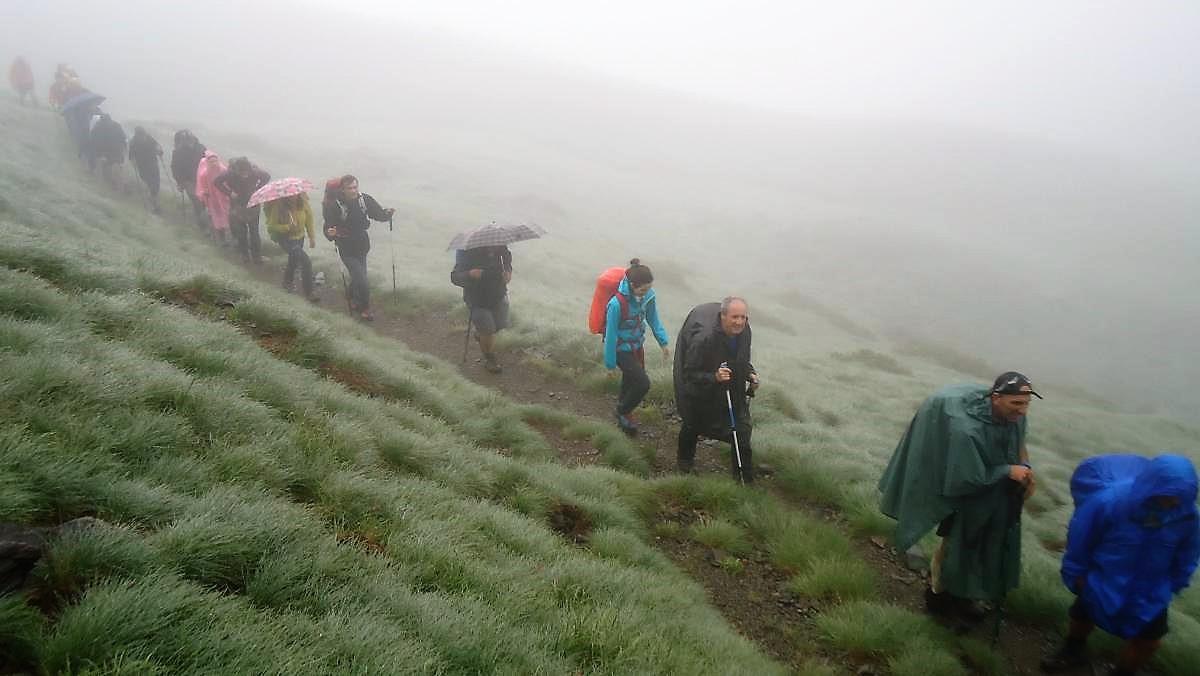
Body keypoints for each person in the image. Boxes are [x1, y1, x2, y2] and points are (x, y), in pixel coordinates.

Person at [878, 371, 1039, 621]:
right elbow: (966, 478)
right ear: (996, 398)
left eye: (1026, 403)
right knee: (957, 543)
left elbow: (1019, 445)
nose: (1022, 411)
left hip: (995, 492)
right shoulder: (967, 430)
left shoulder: (1015, 418)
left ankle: (966, 596)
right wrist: (1008, 470)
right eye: (1016, 403)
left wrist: (1025, 468)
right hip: (967, 491)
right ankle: (939, 598)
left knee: (986, 543)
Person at [1040, 454, 1198, 676]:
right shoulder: (1110, 501)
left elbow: (1188, 553)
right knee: (1082, 616)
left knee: (1149, 642)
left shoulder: (1188, 516)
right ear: (1153, 483)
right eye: (1168, 495)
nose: (1173, 502)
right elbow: (1081, 537)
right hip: (1103, 577)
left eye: (1180, 496)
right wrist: (1076, 572)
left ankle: (1123, 673)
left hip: (1151, 590)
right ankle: (1072, 651)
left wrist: (1176, 583)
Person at [673, 297, 759, 483]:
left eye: (743, 317)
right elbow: (689, 374)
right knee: (693, 422)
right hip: (700, 391)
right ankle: (684, 463)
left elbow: (741, 358)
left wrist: (749, 374)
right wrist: (714, 377)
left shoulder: (744, 332)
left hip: (731, 390)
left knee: (741, 429)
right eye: (735, 317)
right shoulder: (704, 339)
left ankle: (744, 479)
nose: (739, 322)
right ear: (723, 316)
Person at [603, 259, 670, 432]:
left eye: (649, 288)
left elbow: (653, 319)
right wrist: (610, 364)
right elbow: (610, 335)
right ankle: (622, 411)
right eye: (643, 289)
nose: (647, 292)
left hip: (637, 347)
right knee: (642, 383)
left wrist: (663, 342)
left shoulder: (648, 296)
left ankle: (624, 416)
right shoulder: (616, 305)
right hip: (620, 350)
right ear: (632, 285)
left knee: (630, 381)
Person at [322, 175, 394, 322]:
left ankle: (351, 297)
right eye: (350, 188)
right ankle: (365, 308)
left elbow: (378, 214)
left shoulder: (364, 200)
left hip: (362, 245)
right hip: (346, 247)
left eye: (355, 187)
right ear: (342, 189)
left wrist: (387, 215)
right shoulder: (335, 206)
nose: (353, 191)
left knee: (358, 277)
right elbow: (328, 226)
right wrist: (330, 233)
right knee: (362, 279)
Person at [451, 245, 513, 373]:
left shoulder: (500, 246)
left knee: (500, 325)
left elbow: (507, 257)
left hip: (498, 294)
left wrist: (508, 271)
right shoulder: (465, 251)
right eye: (490, 246)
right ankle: (490, 359)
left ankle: (480, 334)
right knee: (488, 330)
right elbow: (455, 277)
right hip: (477, 299)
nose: (493, 248)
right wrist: (470, 274)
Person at [264, 194, 319, 302]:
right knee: (306, 262)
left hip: (300, 237)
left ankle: (287, 282)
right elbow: (271, 225)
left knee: (293, 261)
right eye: (289, 195)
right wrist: (287, 227)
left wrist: (311, 237)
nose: (292, 197)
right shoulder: (278, 206)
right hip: (286, 239)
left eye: (295, 194)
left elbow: (309, 220)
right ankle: (310, 292)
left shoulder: (303, 203)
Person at [215, 157, 270, 264]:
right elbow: (216, 182)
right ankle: (244, 255)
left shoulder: (254, 172)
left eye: (246, 172)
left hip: (253, 205)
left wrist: (257, 189)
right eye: (241, 172)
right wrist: (229, 193)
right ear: (236, 170)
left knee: (254, 232)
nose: (244, 174)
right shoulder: (230, 174)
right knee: (242, 232)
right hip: (237, 205)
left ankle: (257, 256)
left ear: (249, 169)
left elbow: (267, 176)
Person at [171, 130, 208, 227]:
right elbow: (174, 167)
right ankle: (203, 225)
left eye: (190, 140)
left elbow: (208, 162)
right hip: (188, 181)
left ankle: (203, 219)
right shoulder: (178, 152)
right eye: (187, 140)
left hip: (202, 180)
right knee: (197, 202)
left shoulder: (201, 148)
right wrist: (180, 182)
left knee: (204, 202)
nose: (189, 142)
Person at [195, 151, 231, 244]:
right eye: (211, 161)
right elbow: (202, 186)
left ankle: (229, 234)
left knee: (227, 214)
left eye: (215, 161)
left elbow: (228, 183)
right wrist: (205, 192)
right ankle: (221, 237)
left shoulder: (223, 170)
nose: (214, 163)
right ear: (208, 162)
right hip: (212, 199)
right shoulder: (204, 174)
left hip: (223, 197)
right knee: (216, 216)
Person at [128, 127, 163, 214]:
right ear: (137, 135)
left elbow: (157, 146)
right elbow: (131, 155)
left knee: (156, 184)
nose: (143, 137)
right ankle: (154, 204)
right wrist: (133, 163)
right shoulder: (133, 142)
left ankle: (153, 201)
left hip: (153, 164)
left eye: (144, 135)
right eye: (141, 135)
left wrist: (159, 151)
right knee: (150, 184)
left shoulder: (149, 138)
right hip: (142, 167)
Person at [89, 114, 127, 190]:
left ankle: (121, 185)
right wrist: (100, 154)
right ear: (102, 121)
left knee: (118, 168)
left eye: (108, 121)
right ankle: (111, 184)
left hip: (117, 150)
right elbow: (94, 141)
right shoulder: (98, 128)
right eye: (106, 121)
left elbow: (123, 137)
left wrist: (124, 148)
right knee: (107, 168)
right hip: (106, 152)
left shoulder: (116, 125)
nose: (108, 122)